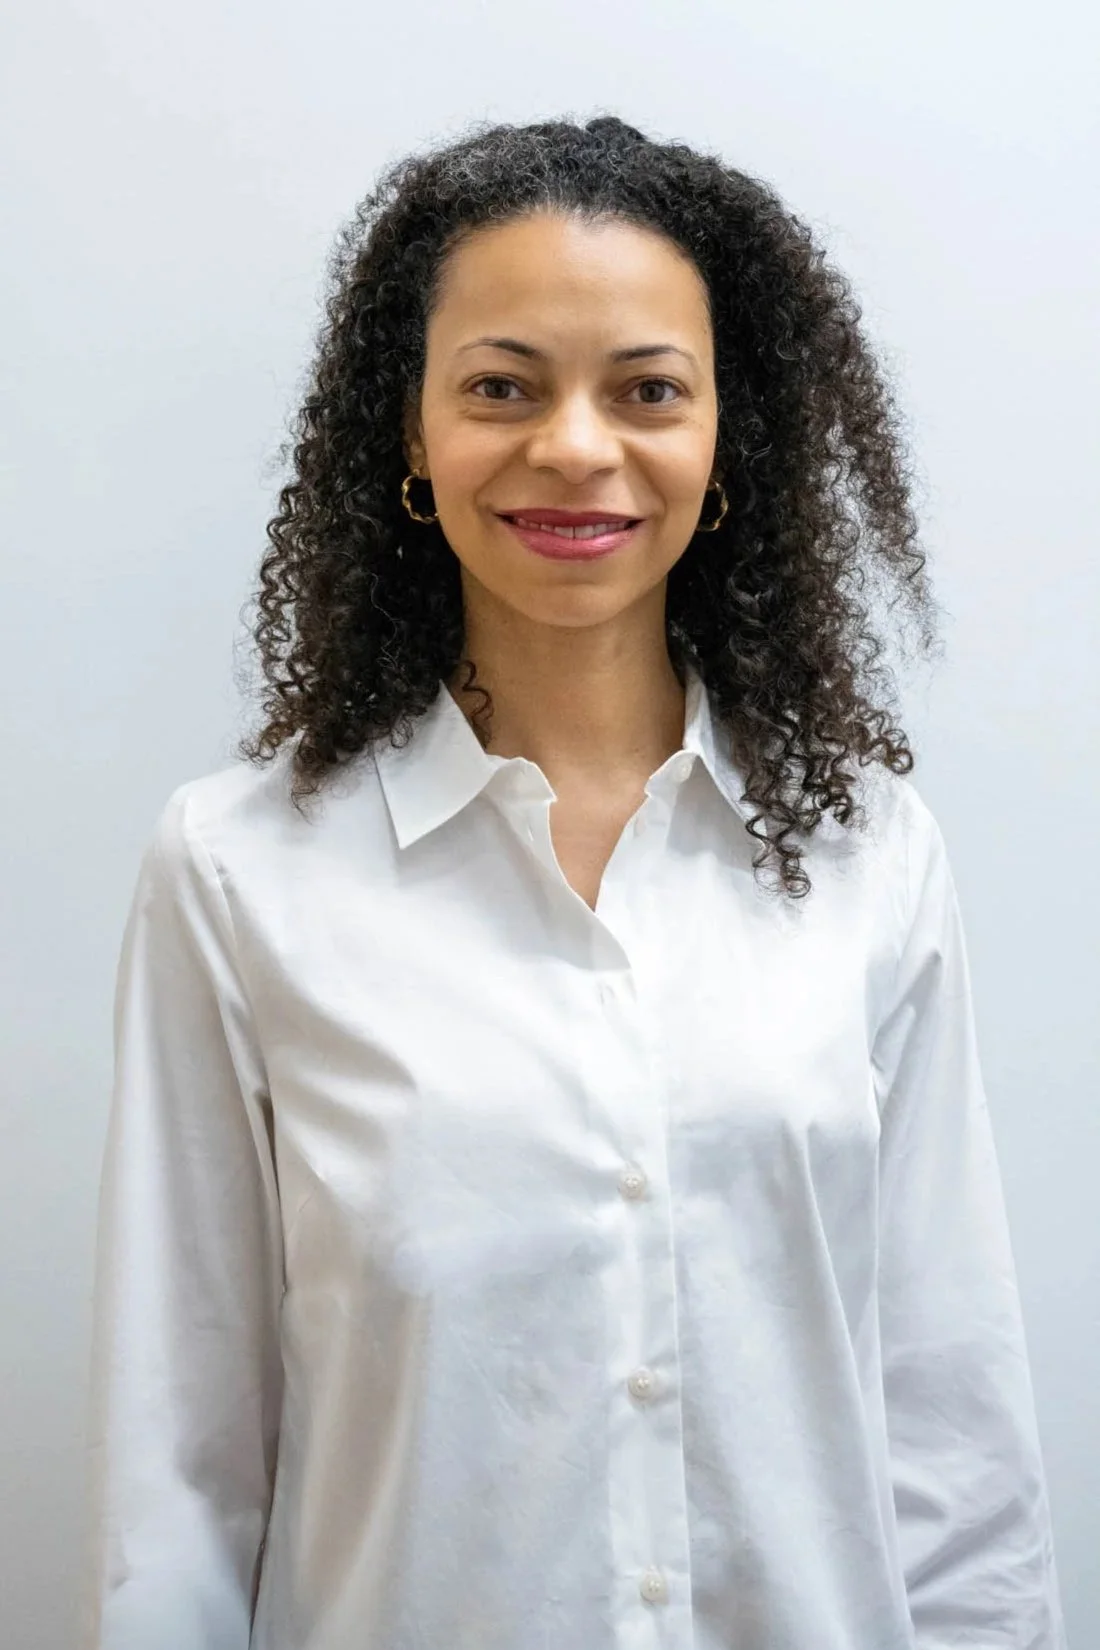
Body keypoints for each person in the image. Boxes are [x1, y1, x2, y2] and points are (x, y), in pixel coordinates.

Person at [80, 114, 1066, 1650]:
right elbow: (183, 1479)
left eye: (649, 389)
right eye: (502, 386)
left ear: (725, 433)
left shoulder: (872, 853)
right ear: (409, 434)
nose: (577, 447)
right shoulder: (238, 871)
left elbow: (951, 1426)